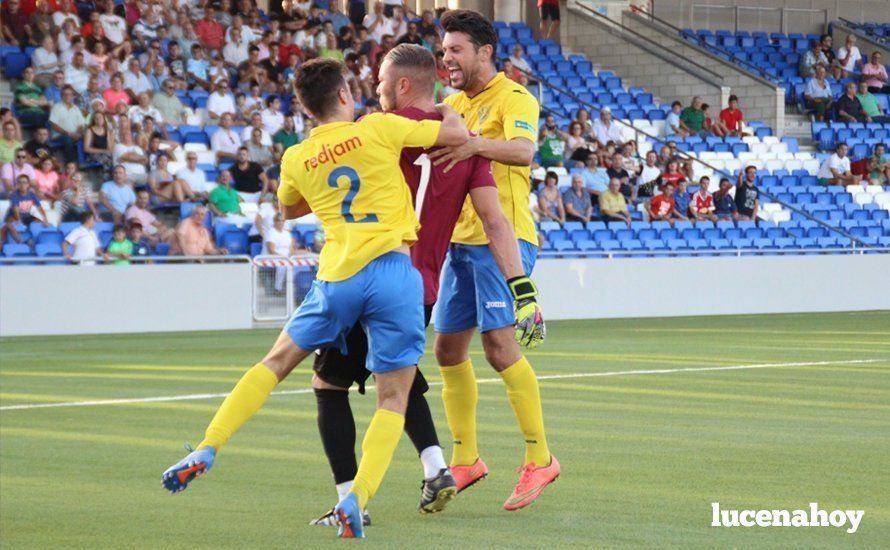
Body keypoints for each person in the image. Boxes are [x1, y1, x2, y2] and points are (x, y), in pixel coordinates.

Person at [161, 57, 468, 541]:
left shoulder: (295, 158)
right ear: (345, 95)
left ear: (306, 107)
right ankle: (357, 499)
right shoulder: (378, 129)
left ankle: (208, 445)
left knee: (277, 360)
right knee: (394, 396)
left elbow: (289, 208)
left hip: (338, 274)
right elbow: (455, 139)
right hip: (393, 271)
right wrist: (451, 114)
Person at [306, 44, 544, 526]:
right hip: (422, 288)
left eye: (379, 83)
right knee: (401, 376)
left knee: (328, 384)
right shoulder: (467, 145)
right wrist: (523, 289)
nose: (374, 91)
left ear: (401, 85)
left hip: (367, 273)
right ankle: (440, 465)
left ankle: (350, 501)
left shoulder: (376, 133)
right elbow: (496, 222)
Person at [423, 10, 558, 512]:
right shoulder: (453, 103)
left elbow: (524, 152)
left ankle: (540, 457)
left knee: (500, 347)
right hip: (461, 242)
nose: (447, 58)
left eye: (455, 49)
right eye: (442, 50)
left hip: (506, 238)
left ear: (484, 52)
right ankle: (468, 458)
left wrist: (472, 143)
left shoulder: (515, 96)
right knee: (447, 351)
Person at [48, 86, 86, 163]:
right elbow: (53, 125)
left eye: (69, 94)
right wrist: (68, 134)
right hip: (59, 135)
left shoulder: (76, 108)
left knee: (88, 137)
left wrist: (78, 133)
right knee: (68, 140)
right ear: (61, 96)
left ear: (72, 96)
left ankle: (85, 162)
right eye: (65, 94)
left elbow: (81, 124)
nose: (67, 96)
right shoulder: (56, 107)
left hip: (75, 134)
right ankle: (70, 163)